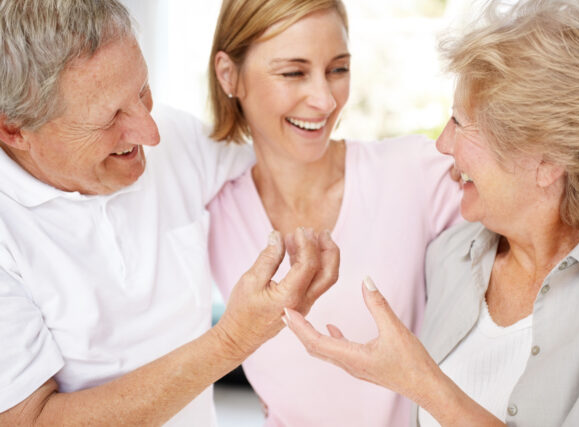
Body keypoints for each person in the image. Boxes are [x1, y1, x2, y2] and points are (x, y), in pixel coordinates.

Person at [285, 0, 579, 425]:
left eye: (460, 122)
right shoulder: (451, 256)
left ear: (548, 160)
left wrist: (422, 383)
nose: (442, 144)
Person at [0, 1, 339, 425]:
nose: (150, 132)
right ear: (14, 130)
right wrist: (234, 339)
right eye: (111, 118)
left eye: (142, 91)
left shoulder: (174, 136)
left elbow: (281, 165)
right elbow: (29, 420)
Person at [207, 0, 461, 425]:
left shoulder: (414, 172)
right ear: (229, 75)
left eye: (338, 69)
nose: (325, 100)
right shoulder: (213, 210)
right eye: (294, 73)